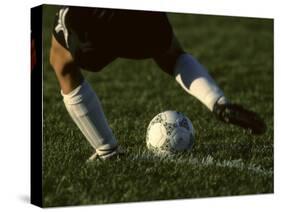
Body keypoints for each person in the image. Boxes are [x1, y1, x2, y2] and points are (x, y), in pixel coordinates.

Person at [49, 6, 266, 160]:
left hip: (97, 17)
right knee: (172, 54)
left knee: (61, 61)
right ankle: (219, 103)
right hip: (142, 15)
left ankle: (107, 151)